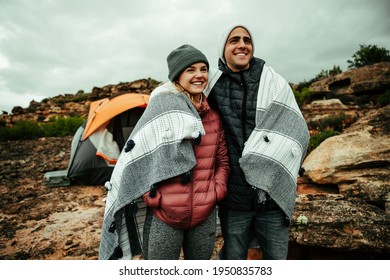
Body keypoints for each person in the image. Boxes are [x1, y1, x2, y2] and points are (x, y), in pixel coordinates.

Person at [98, 44, 229, 260]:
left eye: (203, 69)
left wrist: (217, 190)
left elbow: (222, 160)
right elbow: (141, 157)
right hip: (165, 215)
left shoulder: (213, 117)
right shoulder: (161, 113)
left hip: (204, 215)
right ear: (178, 76)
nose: (199, 75)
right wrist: (152, 197)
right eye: (191, 70)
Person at [206, 24, 310, 260]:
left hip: (272, 195)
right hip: (234, 196)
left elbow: (297, 131)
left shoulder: (274, 82)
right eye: (234, 40)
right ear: (223, 48)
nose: (242, 45)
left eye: (247, 40)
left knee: (276, 261)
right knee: (233, 262)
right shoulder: (212, 85)